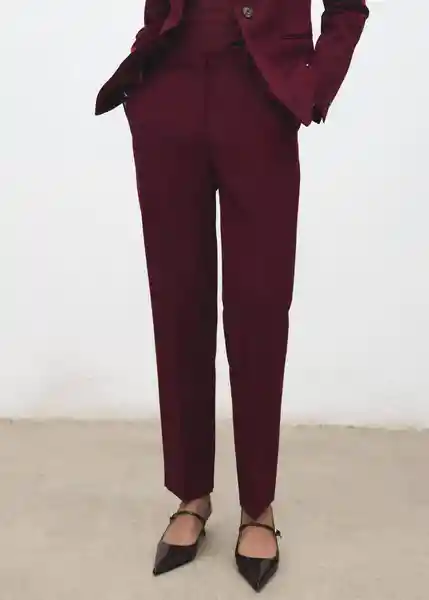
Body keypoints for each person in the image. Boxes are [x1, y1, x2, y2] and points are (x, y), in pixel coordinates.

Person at [95, 0, 369, 591]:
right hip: (169, 94)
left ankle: (258, 506)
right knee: (178, 303)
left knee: (259, 309)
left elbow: (349, 8)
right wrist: (147, 76)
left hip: (259, 97)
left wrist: (313, 84)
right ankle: (191, 494)